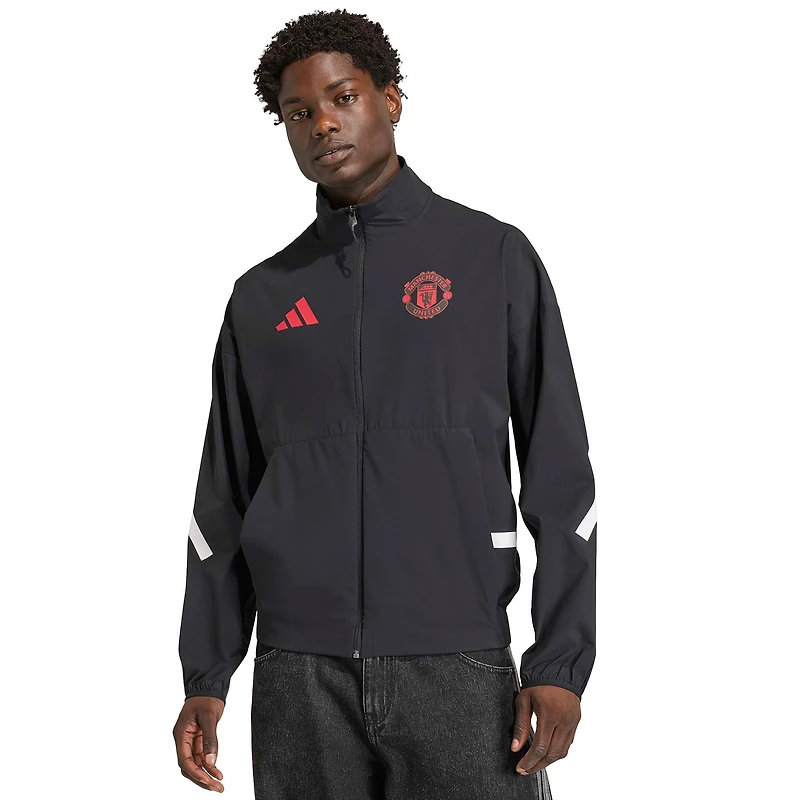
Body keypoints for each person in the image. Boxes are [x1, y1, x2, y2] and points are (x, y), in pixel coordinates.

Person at [172, 9, 596, 799]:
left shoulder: (491, 257)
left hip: (459, 665)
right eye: (298, 112)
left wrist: (560, 663)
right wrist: (208, 672)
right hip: (300, 679)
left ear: (391, 99)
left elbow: (562, 474)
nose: (323, 124)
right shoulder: (261, 297)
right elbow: (221, 501)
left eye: (343, 96)